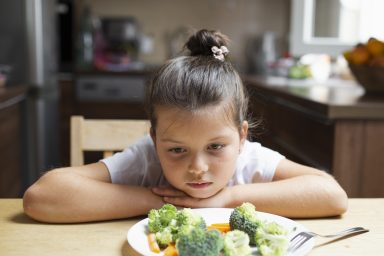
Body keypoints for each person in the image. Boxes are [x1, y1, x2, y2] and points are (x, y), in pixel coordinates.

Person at [23, 29, 348, 223]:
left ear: (241, 137)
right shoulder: (146, 159)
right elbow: (42, 197)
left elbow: (332, 195)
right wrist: (161, 201)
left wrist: (225, 199)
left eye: (216, 147)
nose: (197, 168)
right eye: (177, 149)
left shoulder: (250, 160)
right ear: (154, 139)